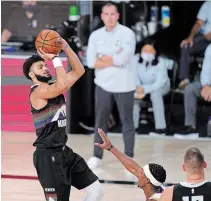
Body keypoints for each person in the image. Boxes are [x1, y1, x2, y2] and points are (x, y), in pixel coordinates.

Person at [22, 38, 103, 201]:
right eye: (40, 67)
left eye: (45, 65)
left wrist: (65, 47)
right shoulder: (37, 92)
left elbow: (79, 71)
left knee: (96, 191)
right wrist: (56, 59)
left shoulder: (53, 85)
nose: (45, 68)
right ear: (32, 75)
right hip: (47, 156)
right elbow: (60, 86)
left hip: (64, 152)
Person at [86, 2, 136, 169]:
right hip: (102, 85)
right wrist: (112, 58)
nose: (109, 17)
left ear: (117, 16)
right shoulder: (95, 36)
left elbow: (123, 59)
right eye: (106, 14)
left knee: (127, 121)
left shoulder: (127, 34)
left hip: (125, 85)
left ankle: (129, 155)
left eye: (112, 14)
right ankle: (97, 156)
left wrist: (104, 58)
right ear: (102, 16)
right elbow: (91, 62)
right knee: (100, 121)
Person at [95, 128, 167, 201]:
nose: (137, 172)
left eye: (141, 173)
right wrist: (110, 147)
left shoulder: (160, 199)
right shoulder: (158, 188)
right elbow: (134, 168)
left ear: (147, 180)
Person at [133, 41, 170, 136]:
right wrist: (138, 88)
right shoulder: (135, 59)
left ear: (155, 52)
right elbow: (133, 76)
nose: (147, 53)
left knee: (155, 94)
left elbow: (159, 83)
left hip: (161, 86)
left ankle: (160, 128)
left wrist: (144, 89)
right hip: (140, 86)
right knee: (133, 95)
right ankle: (133, 127)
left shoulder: (160, 62)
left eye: (150, 51)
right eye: (145, 50)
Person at [174, 44, 211, 139]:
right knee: (190, 89)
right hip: (208, 84)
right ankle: (190, 127)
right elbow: (206, 69)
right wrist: (206, 85)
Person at [178, 1, 211, 89]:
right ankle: (185, 80)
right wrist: (190, 37)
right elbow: (199, 23)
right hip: (205, 37)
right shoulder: (208, 4)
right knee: (186, 45)